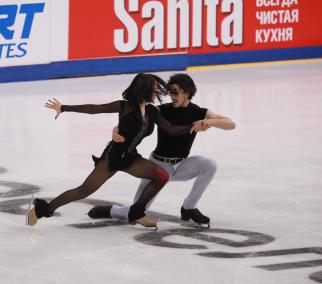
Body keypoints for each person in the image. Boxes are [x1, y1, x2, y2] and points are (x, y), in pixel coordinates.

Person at [26, 73, 203, 228]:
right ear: (144, 90)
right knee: (84, 190)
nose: (157, 93)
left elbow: (170, 129)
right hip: (113, 157)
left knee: (162, 176)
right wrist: (64, 108)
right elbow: (95, 109)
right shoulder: (124, 106)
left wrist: (196, 125)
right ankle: (44, 209)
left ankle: (136, 212)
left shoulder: (151, 111)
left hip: (131, 158)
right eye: (154, 89)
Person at [87, 73, 235, 227]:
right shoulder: (160, 110)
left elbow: (231, 124)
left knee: (209, 164)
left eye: (176, 92)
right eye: (170, 92)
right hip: (157, 167)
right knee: (133, 212)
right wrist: (115, 130)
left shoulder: (199, 112)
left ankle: (189, 208)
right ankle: (112, 211)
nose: (172, 96)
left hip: (182, 165)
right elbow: (131, 121)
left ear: (187, 92)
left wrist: (208, 121)